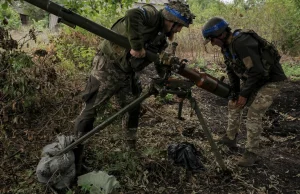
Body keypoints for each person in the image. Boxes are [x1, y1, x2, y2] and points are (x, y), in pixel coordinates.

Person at [73, 0, 195, 174]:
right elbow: (132, 14)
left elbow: (158, 61)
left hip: (127, 72)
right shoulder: (152, 15)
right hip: (108, 66)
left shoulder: (161, 38)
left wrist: (168, 78)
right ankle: (74, 157)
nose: (178, 30)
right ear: (171, 19)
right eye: (179, 26)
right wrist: (137, 46)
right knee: (91, 110)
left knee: (133, 107)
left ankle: (129, 150)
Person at [202, 17, 287, 167]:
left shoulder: (241, 42)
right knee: (233, 103)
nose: (213, 43)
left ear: (221, 34)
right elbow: (231, 71)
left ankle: (251, 153)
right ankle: (230, 137)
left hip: (271, 80)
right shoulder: (226, 47)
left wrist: (244, 94)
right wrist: (235, 92)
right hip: (256, 79)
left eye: (212, 40)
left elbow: (257, 71)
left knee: (254, 113)